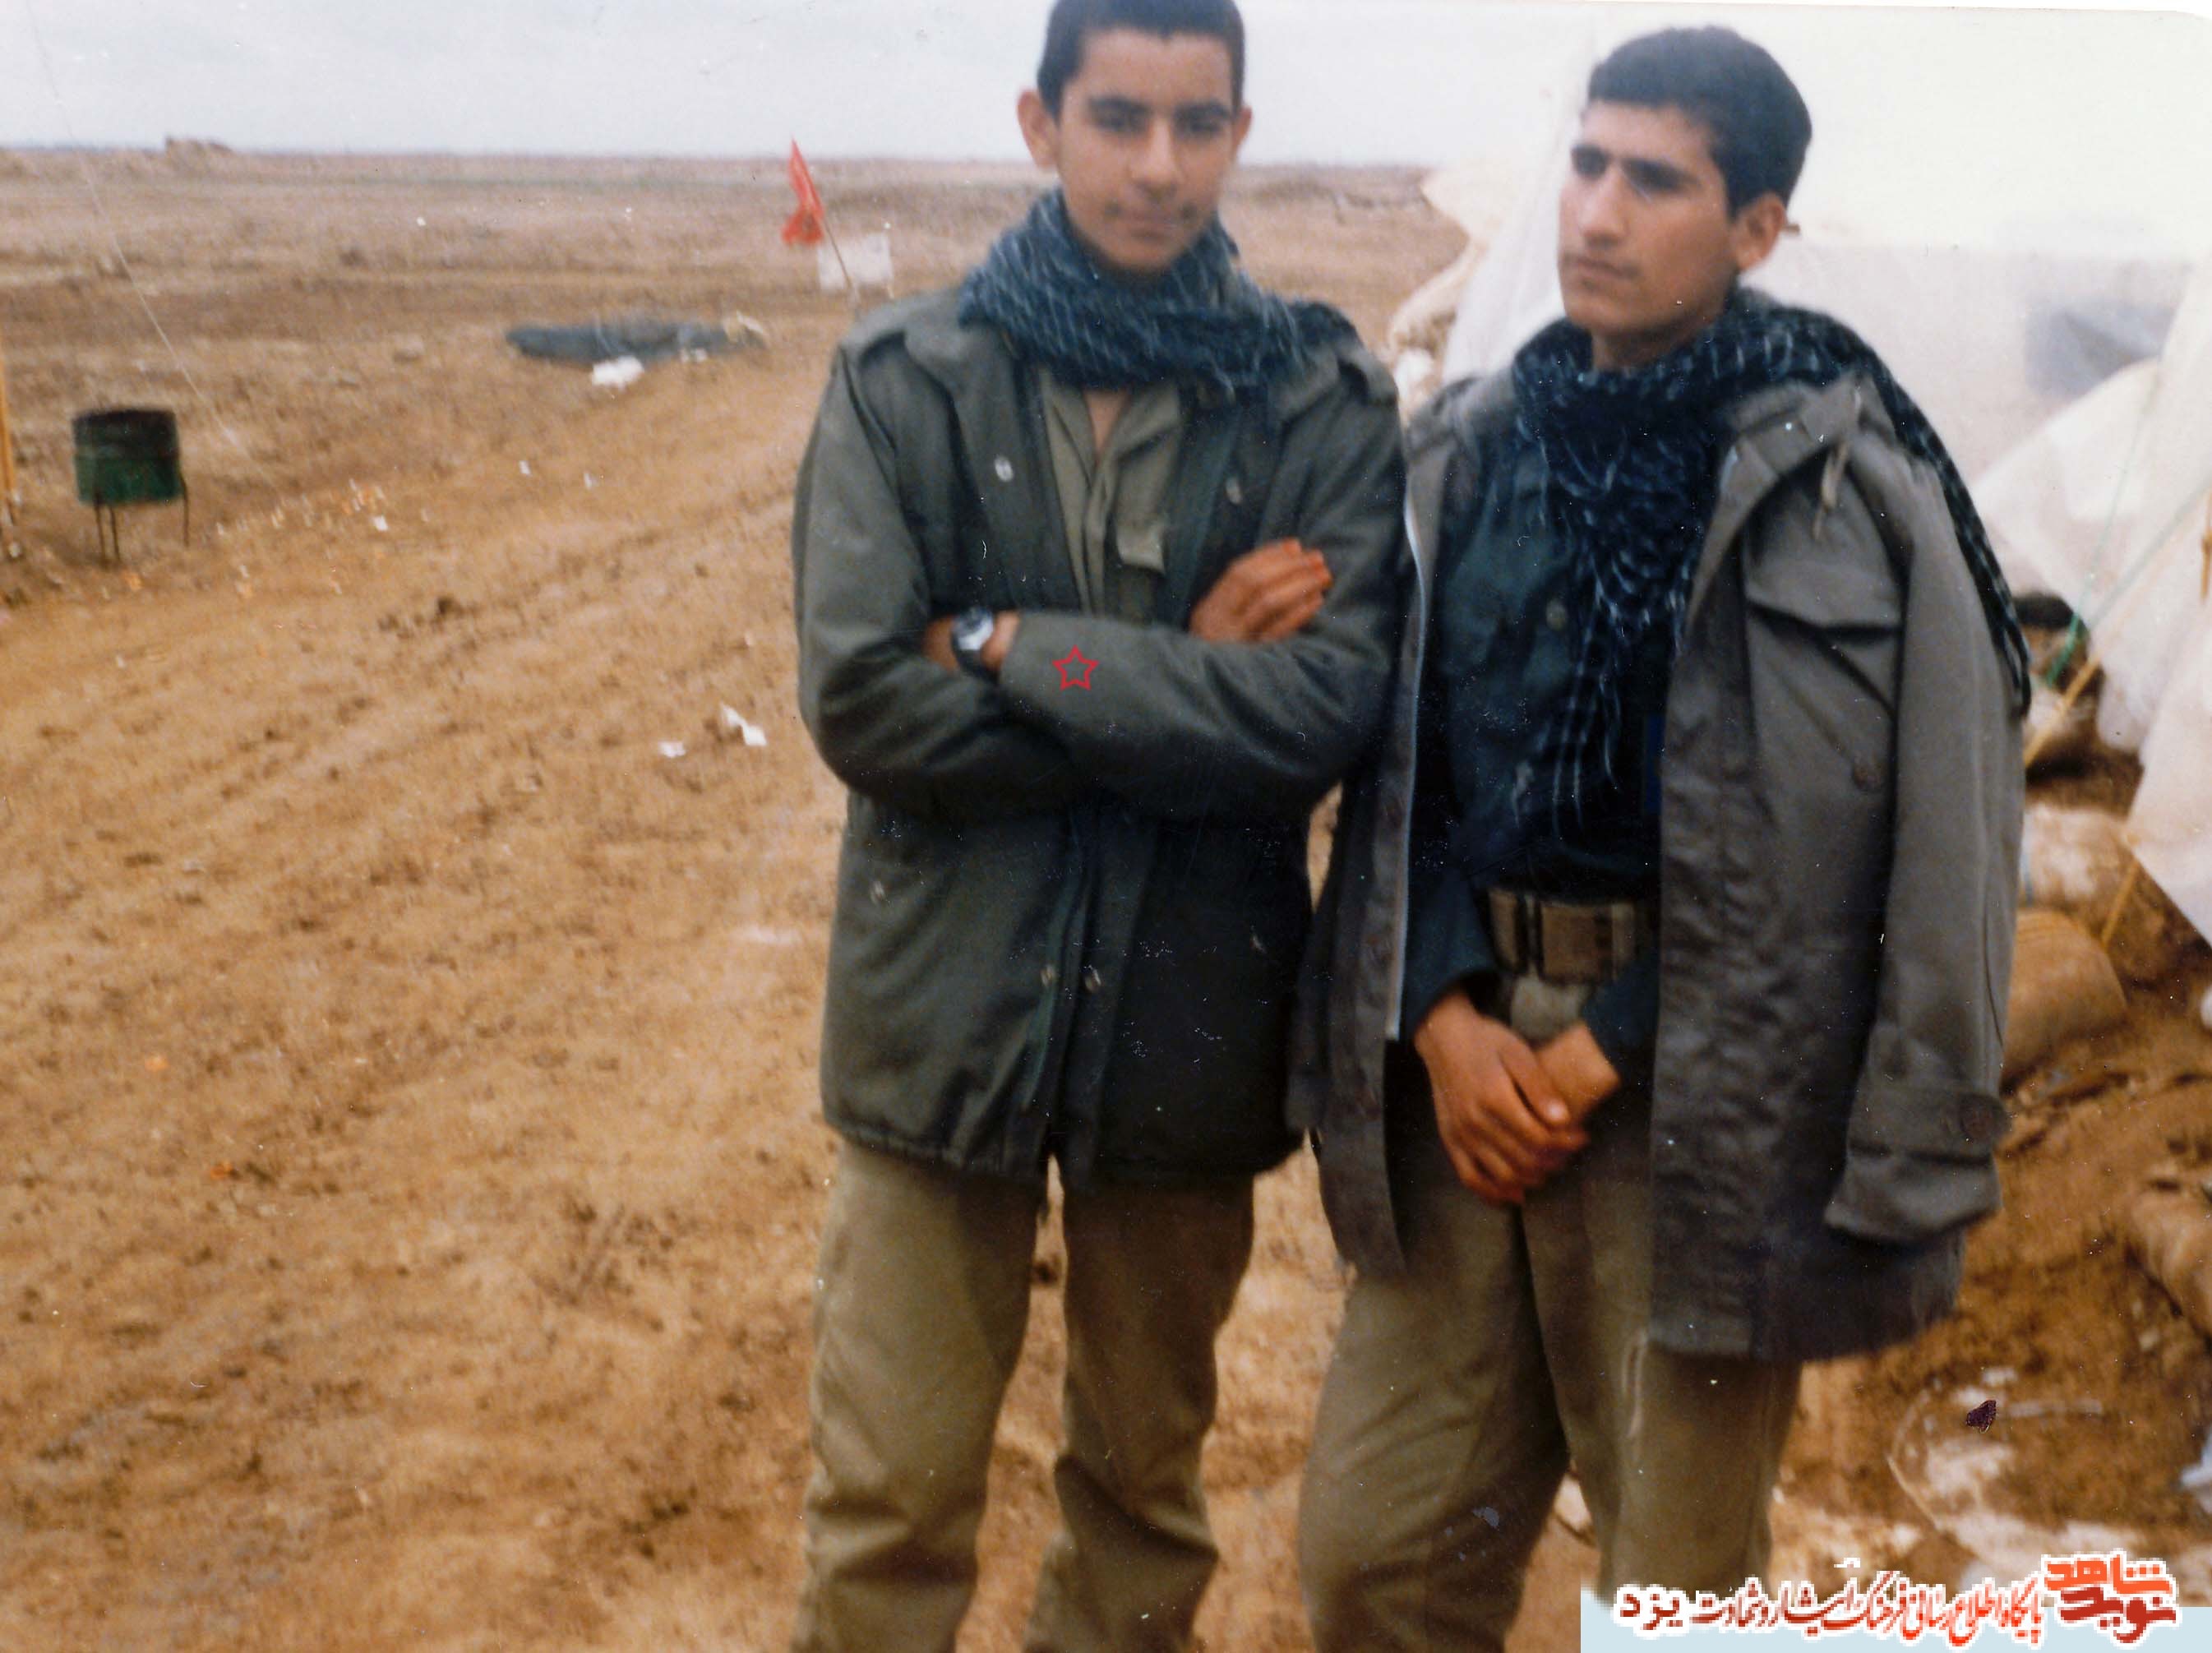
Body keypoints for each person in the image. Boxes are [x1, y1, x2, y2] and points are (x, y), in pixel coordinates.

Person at [1290, 26, 2029, 1647]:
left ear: (1757, 226)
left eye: (1655, 181)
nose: (1598, 214)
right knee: (1371, 1558)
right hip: (1468, 1074)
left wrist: (1603, 1049)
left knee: (1673, 1595)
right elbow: (1404, 772)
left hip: (1704, 1099)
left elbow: (1895, 851)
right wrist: (1442, 1018)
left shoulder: (1849, 487)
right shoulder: (1467, 451)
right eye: (1584, 164)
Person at [786, 1, 1406, 1646]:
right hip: (941, 1024)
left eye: (1196, 124)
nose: (1157, 165)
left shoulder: (1318, 399)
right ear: (1039, 122)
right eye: (1117, 118)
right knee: (888, 1504)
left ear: (1241, 134)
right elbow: (863, 704)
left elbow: (1317, 714)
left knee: (1141, 1503)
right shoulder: (905, 381)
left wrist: (1007, 643)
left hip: (1186, 1027)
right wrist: (1179, 676)